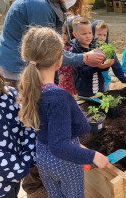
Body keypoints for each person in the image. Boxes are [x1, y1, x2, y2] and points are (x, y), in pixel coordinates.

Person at [18, 27, 109, 198]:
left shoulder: (29, 88)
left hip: (43, 158)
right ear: (60, 59)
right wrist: (93, 155)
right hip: (64, 164)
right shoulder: (59, 97)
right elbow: (60, 145)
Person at [0, 0, 106, 89]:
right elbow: (48, 52)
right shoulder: (39, 6)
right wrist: (84, 58)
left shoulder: (51, 5)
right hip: (16, 73)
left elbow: (53, 49)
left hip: (26, 68)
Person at [0, 64, 36, 198]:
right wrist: (18, 168)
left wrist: (28, 157)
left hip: (14, 176)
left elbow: (27, 124)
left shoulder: (9, 95)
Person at [71, 17, 113, 97]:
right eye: (84, 34)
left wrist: (105, 65)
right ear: (75, 34)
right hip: (84, 91)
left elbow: (102, 68)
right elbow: (82, 72)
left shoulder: (96, 46)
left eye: (90, 33)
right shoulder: (74, 51)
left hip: (99, 87)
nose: (88, 36)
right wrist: (97, 66)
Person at [92, 20, 126, 92]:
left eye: (104, 35)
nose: (102, 37)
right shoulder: (89, 49)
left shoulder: (109, 49)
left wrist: (123, 79)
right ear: (92, 34)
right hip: (92, 83)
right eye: (99, 35)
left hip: (105, 82)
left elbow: (116, 66)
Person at [58, 20, 75, 95]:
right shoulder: (61, 48)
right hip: (64, 78)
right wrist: (60, 73)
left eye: (66, 33)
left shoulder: (75, 47)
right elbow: (57, 61)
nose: (63, 36)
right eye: (62, 33)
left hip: (74, 79)